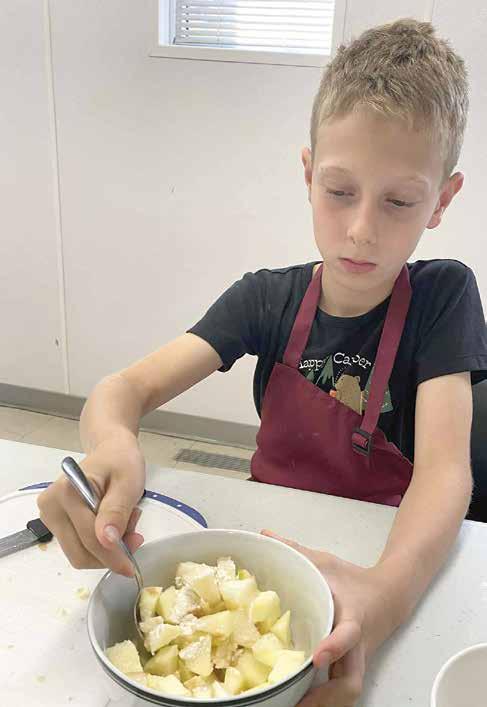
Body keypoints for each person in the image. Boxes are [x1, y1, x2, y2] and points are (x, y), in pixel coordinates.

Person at [38, 18, 487, 707]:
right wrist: (113, 443)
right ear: (308, 174)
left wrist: (385, 595)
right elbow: (121, 390)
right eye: (339, 191)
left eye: (398, 201)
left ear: (441, 201)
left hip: (382, 552)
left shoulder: (443, 297)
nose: (361, 229)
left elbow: (444, 473)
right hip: (270, 548)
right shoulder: (264, 299)